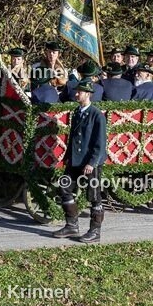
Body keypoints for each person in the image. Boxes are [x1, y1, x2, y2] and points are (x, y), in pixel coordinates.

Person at [52, 80, 107, 243]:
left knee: (94, 196)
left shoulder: (97, 115)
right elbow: (73, 138)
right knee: (64, 187)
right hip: (75, 161)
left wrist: (92, 163)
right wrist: (67, 157)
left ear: (88, 94)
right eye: (76, 91)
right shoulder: (77, 112)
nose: (76, 94)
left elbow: (100, 143)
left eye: (80, 92)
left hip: (90, 163)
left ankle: (95, 231)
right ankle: (72, 225)